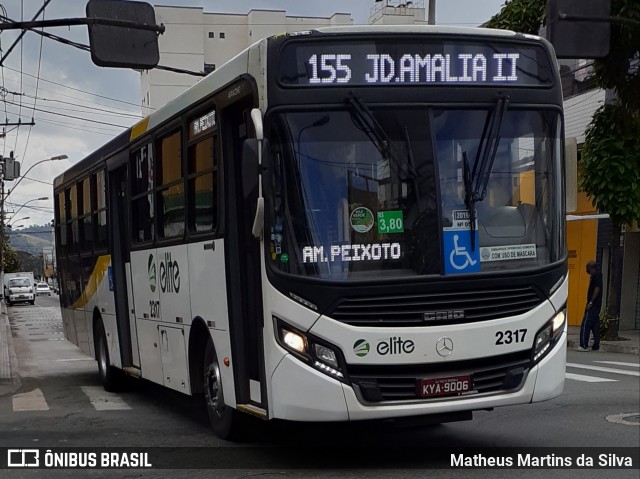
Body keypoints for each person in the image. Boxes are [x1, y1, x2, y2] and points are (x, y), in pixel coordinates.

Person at [577, 260, 602, 351]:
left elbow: (597, 289)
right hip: (596, 304)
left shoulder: (596, 276)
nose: (586, 270)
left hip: (593, 304)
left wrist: (591, 302)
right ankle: (596, 345)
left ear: (590, 268)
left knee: (586, 324)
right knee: (595, 325)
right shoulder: (596, 275)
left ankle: (583, 345)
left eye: (586, 268)